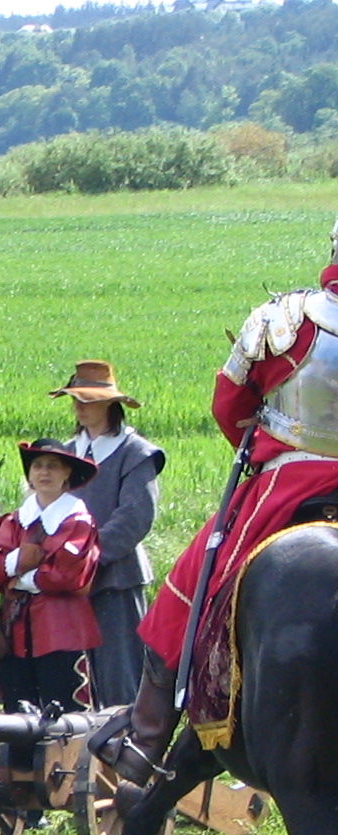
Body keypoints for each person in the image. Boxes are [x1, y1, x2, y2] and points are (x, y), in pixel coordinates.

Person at [104, 220, 338, 784]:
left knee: (195, 583)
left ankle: (148, 735)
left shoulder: (286, 321)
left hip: (290, 482)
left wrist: (266, 450)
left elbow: (230, 405)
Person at [53, 361, 163, 707]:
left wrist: (86, 557)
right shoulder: (65, 454)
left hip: (116, 579)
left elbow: (134, 518)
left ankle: (125, 738)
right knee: (68, 682)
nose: (79, 406)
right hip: (63, 582)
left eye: (88, 399)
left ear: (110, 404)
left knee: (121, 680)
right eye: (75, 399)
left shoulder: (136, 453)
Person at [0, 439, 101, 714]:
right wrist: (20, 562)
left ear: (67, 474)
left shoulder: (78, 522)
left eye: (53, 466)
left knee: (66, 714)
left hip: (62, 630)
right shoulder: (13, 521)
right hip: (14, 630)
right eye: (38, 466)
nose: (44, 472)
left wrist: (16, 576)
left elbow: (67, 574)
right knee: (16, 714)